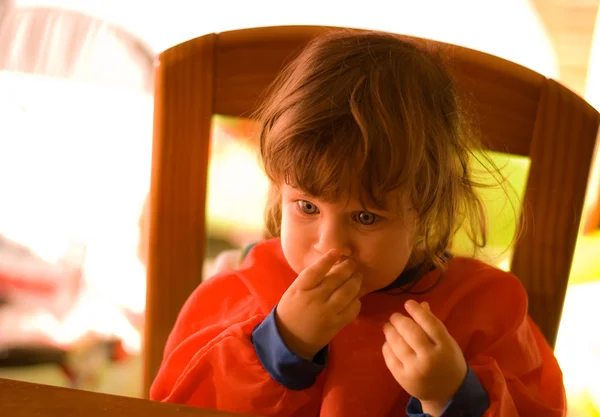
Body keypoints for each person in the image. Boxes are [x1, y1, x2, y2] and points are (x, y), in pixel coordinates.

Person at [149, 30, 566, 417]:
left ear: (425, 207)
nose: (330, 246)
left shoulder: (484, 309)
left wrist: (454, 396)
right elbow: (179, 400)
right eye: (307, 208)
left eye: (366, 217)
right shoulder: (245, 291)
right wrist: (279, 348)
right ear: (280, 189)